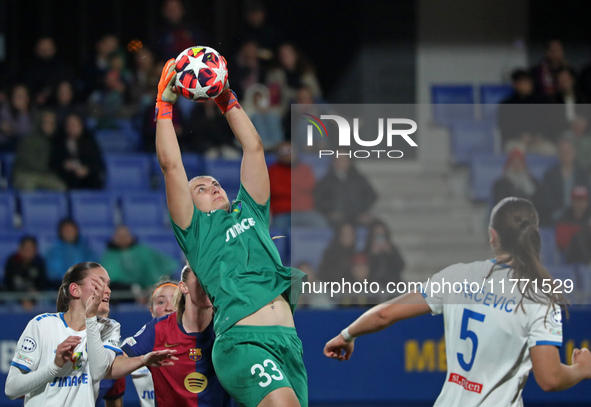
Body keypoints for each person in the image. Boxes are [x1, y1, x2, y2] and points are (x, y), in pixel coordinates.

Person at [324, 197, 591, 406]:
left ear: (492, 236)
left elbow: (385, 314)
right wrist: (581, 369)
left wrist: (347, 334)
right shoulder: (539, 297)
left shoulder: (458, 275)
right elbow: (550, 379)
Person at [155, 58, 308, 406]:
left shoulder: (250, 209)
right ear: (190, 206)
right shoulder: (196, 231)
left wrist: (225, 97)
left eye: (214, 182)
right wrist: (164, 105)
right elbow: (171, 165)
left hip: (288, 341)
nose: (212, 186)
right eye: (201, 189)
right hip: (241, 342)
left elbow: (253, 147)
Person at [4, 262, 175, 405]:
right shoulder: (41, 325)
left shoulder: (109, 327)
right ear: (75, 290)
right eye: (100, 283)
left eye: (108, 284)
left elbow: (99, 370)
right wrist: (54, 367)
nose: (107, 290)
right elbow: (11, 389)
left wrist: (91, 318)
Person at [122, 264, 233, 406]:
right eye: (161, 302)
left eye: (213, 279)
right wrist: (143, 360)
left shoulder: (230, 326)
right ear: (183, 287)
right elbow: (112, 368)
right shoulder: (155, 331)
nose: (208, 283)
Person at [127, 279, 178, 407]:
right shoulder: (135, 346)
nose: (169, 307)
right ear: (151, 311)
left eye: (176, 300)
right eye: (161, 302)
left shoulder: (203, 337)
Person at [100, 225, 180, 290]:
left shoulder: (142, 251)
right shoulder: (110, 256)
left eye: (125, 235)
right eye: (120, 236)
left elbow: (154, 266)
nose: (123, 238)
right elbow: (111, 278)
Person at [11, 110, 67, 191]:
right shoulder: (28, 139)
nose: (49, 126)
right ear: (39, 123)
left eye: (52, 123)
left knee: (61, 187)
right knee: (28, 185)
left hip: (45, 175)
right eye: (46, 122)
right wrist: (51, 169)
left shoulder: (56, 141)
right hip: (25, 173)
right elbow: (27, 161)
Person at [45, 218, 97, 288]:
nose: (69, 233)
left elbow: (93, 268)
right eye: (66, 231)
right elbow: (52, 273)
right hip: (59, 288)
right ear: (60, 232)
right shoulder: (53, 252)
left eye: (71, 230)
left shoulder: (86, 250)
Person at [3, 235, 47, 310]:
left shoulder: (39, 262)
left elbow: (43, 283)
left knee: (46, 300)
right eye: (26, 248)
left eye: (31, 249)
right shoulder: (12, 261)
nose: (29, 251)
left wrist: (34, 294)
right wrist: (21, 298)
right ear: (20, 249)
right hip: (15, 296)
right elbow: (8, 283)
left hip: (34, 296)